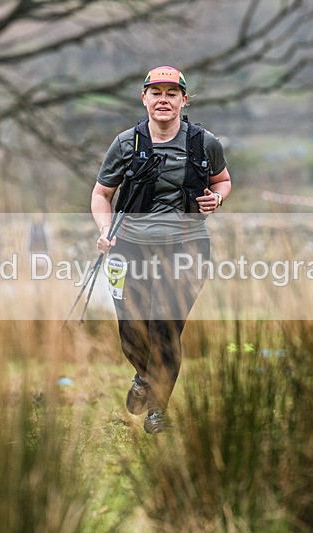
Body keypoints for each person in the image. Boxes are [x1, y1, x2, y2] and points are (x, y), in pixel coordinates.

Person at [91, 66, 231, 434]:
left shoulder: (204, 142)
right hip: (129, 248)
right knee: (132, 331)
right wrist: (105, 230)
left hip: (186, 247)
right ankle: (143, 376)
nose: (164, 100)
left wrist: (216, 197)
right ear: (144, 98)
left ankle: (158, 411)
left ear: (184, 100)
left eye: (172, 93)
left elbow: (223, 180)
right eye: (157, 93)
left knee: (164, 329)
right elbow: (101, 195)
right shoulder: (126, 143)